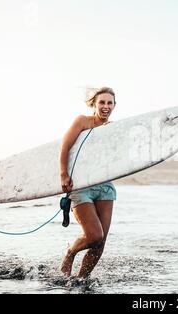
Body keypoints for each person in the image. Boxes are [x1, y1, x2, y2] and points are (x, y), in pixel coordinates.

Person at [59, 87, 117, 278]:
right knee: (94, 236)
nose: (106, 106)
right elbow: (65, 146)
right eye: (102, 102)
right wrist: (63, 174)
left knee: (100, 243)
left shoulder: (114, 129)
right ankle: (70, 252)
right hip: (81, 186)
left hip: (105, 186)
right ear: (94, 103)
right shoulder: (82, 121)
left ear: (114, 105)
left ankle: (82, 280)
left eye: (110, 103)